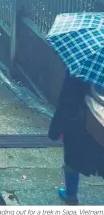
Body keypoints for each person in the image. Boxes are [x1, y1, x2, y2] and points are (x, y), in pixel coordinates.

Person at [48, 73, 104, 205]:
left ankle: (70, 194)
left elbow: (67, 100)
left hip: (79, 121)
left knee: (72, 157)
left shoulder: (82, 67)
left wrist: (57, 129)